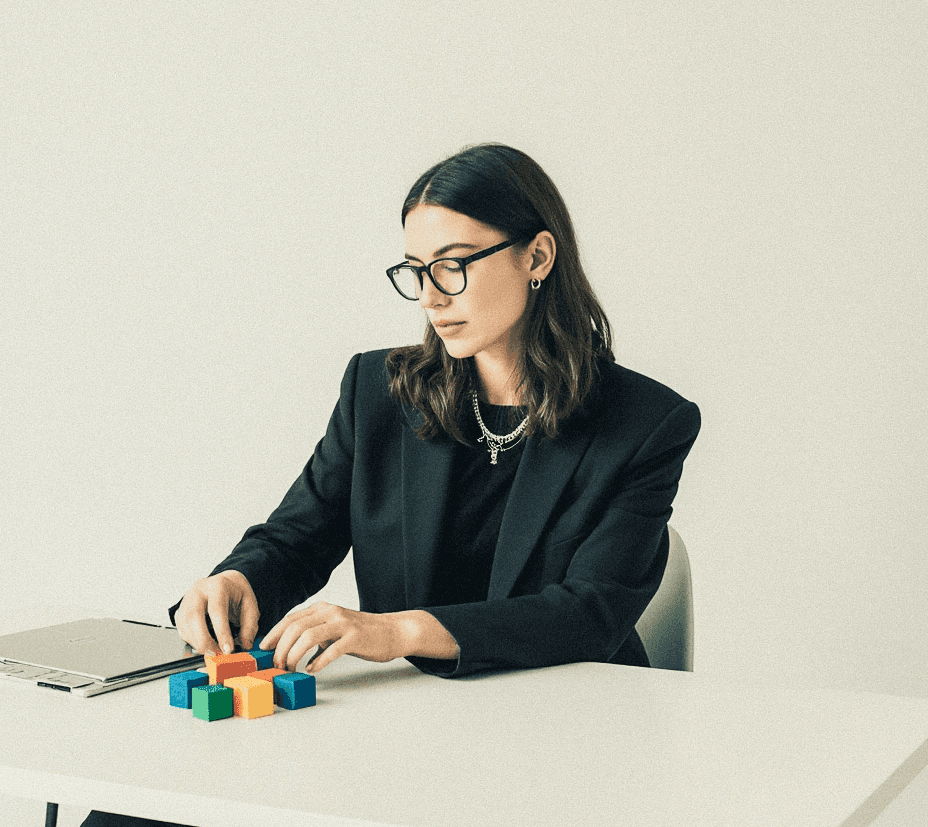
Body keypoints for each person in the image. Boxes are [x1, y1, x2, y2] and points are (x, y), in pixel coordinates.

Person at [81, 143, 699, 826]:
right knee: (129, 810)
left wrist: (396, 630)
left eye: (454, 266)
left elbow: (589, 613)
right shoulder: (377, 392)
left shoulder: (646, 423)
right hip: (395, 738)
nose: (432, 295)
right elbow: (298, 535)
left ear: (538, 257)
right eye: (416, 270)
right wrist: (238, 581)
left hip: (557, 750)